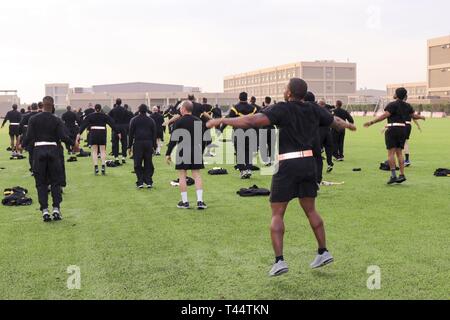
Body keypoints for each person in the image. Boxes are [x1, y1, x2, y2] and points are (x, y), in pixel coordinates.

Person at [207, 78, 356, 277]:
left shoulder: (283, 108)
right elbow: (335, 122)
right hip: (309, 164)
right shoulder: (314, 109)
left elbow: (251, 121)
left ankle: (279, 261)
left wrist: (222, 120)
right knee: (311, 210)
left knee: (277, 214)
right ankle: (323, 251)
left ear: (288, 93)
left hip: (288, 165)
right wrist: (349, 125)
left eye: (285, 88)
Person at [21, 96, 79, 222]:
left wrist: (21, 145)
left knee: (41, 183)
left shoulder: (33, 119)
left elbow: (29, 136)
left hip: (39, 152)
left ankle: (45, 211)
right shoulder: (56, 119)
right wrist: (73, 145)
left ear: (42, 105)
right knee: (55, 182)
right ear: (52, 106)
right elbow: (63, 137)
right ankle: (56, 209)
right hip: (53, 151)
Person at [364, 87, 425, 184]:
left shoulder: (392, 105)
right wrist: (421, 117)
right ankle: (402, 174)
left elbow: (384, 116)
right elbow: (413, 116)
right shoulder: (408, 106)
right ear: (405, 96)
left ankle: (393, 176)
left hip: (392, 129)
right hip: (403, 129)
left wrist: (371, 122)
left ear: (396, 95)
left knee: (391, 153)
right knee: (399, 153)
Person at [166, 100, 207, 210]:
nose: (179, 109)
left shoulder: (178, 122)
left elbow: (173, 139)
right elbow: (205, 140)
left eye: (180, 107)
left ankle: (185, 202)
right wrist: (201, 151)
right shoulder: (198, 121)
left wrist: (168, 153)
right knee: (197, 175)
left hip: (182, 150)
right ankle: (200, 201)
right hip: (196, 150)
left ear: (184, 109)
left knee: (182, 176)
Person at [220, 92, 258, 179]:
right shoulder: (253, 108)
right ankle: (248, 168)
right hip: (250, 132)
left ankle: (242, 170)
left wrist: (222, 128)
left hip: (239, 131)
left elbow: (229, 119)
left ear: (239, 98)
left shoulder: (235, 108)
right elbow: (257, 121)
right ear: (247, 98)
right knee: (248, 150)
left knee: (240, 151)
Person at [78, 104, 119, 176]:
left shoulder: (90, 116)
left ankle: (96, 167)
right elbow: (112, 124)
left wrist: (79, 133)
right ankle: (103, 166)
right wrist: (117, 132)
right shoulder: (105, 116)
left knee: (94, 151)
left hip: (93, 133)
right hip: (102, 133)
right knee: (103, 150)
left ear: (94, 109)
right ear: (100, 109)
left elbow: (84, 124)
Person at [305, 93, 334, 184]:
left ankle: (311, 178)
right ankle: (329, 163)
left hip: (317, 134)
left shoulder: (310, 109)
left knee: (314, 155)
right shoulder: (325, 110)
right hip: (327, 133)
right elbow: (333, 119)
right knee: (324, 152)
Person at [129, 104, 157, 189]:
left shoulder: (134, 120)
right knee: (148, 162)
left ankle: (140, 181)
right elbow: (154, 134)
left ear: (138, 110)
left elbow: (130, 134)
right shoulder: (151, 120)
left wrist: (129, 146)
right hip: (148, 143)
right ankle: (149, 181)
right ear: (147, 110)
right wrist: (154, 146)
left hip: (138, 143)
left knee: (137, 163)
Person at [19, 103, 39, 172]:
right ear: (37, 107)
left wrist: (21, 133)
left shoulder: (26, 116)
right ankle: (38, 169)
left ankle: (33, 169)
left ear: (31, 108)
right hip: (39, 138)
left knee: (31, 154)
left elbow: (21, 125)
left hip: (29, 138)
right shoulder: (40, 115)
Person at [109, 98, 129, 164]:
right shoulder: (125, 110)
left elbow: (109, 118)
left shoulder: (113, 110)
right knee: (124, 143)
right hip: (123, 127)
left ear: (116, 102)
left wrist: (113, 124)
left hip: (115, 127)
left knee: (115, 143)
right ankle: (123, 157)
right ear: (121, 102)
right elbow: (128, 119)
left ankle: (116, 157)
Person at [260, 96, 276, 166]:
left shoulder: (262, 109)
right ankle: (271, 160)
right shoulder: (273, 108)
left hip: (264, 128)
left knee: (264, 145)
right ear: (270, 101)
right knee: (271, 145)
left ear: (265, 101)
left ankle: (266, 160)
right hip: (271, 128)